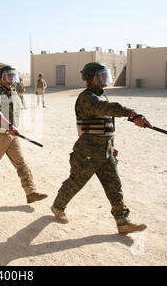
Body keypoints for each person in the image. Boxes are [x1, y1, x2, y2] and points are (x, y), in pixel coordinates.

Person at [50, 62, 149, 235]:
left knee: (114, 186)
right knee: (76, 182)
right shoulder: (87, 97)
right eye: (100, 76)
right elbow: (104, 109)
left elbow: (105, 122)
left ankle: (122, 222)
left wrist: (111, 145)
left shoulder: (102, 96)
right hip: (88, 152)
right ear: (90, 79)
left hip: (105, 151)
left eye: (105, 75)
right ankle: (58, 207)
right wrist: (131, 114)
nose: (104, 78)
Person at [0, 65, 48, 204]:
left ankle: (31, 191)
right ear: (1, 77)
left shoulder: (14, 91)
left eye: (13, 75)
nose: (12, 78)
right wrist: (9, 126)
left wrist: (13, 127)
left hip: (12, 135)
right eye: (8, 75)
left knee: (21, 163)